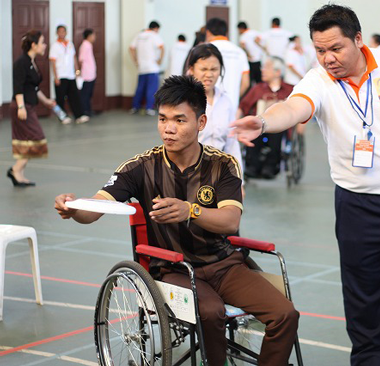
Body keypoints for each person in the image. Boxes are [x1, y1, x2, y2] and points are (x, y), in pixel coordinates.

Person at [231, 5, 380, 365]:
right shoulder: (317, 80)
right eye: (320, 50)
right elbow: (292, 108)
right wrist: (263, 121)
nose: (328, 58)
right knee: (363, 299)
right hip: (357, 206)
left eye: (336, 48)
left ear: (358, 39)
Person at [54, 75, 299, 366]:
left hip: (224, 266)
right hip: (174, 270)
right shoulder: (140, 168)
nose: (168, 129)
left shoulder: (222, 165)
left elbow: (230, 222)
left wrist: (190, 211)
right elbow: (97, 206)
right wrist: (74, 209)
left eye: (180, 120)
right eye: (163, 119)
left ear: (201, 123)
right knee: (211, 312)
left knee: (285, 315)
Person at [9, 30, 56, 187]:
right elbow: (18, 87)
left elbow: (34, 88)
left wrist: (46, 101)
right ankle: (15, 170)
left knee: (26, 141)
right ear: (34, 45)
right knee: (35, 138)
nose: (45, 45)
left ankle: (19, 173)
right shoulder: (21, 62)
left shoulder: (31, 62)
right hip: (22, 107)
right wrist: (21, 107)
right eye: (42, 42)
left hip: (29, 106)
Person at [185, 44, 243, 171]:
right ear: (191, 69)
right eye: (203, 69)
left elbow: (231, 144)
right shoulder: (183, 102)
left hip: (218, 174)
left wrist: (239, 181)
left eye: (214, 69)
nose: (209, 74)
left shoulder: (225, 102)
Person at [238, 56, 293, 179]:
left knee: (277, 130)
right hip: (258, 124)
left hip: (280, 127)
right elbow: (243, 106)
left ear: (277, 72)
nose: (262, 70)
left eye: (267, 67)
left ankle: (271, 166)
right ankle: (253, 166)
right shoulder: (257, 89)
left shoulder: (290, 90)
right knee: (254, 127)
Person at [206, 18, 250, 116]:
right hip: (232, 106)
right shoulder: (239, 52)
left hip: (207, 106)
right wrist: (234, 96)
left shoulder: (205, 50)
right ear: (226, 32)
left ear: (208, 33)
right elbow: (246, 83)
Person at [49, 25, 89, 125]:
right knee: (60, 98)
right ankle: (62, 117)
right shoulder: (55, 46)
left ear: (66, 32)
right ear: (57, 33)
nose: (62, 33)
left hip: (70, 75)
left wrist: (77, 71)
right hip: (60, 75)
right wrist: (56, 77)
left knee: (74, 96)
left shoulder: (70, 44)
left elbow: (74, 58)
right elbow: (53, 62)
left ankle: (79, 115)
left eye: (63, 31)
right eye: (60, 31)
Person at [129, 21, 164, 116]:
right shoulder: (154, 35)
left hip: (141, 67)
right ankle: (149, 108)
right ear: (156, 28)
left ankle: (135, 107)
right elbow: (162, 47)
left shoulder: (139, 35)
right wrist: (160, 60)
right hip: (152, 67)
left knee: (140, 88)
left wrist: (135, 60)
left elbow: (131, 48)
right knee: (151, 89)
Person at [78, 28, 97, 118]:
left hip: (91, 74)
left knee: (89, 94)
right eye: (93, 35)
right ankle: (84, 111)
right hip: (86, 74)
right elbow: (81, 60)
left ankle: (88, 110)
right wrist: (80, 72)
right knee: (85, 94)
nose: (94, 37)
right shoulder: (85, 45)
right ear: (89, 36)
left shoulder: (88, 45)